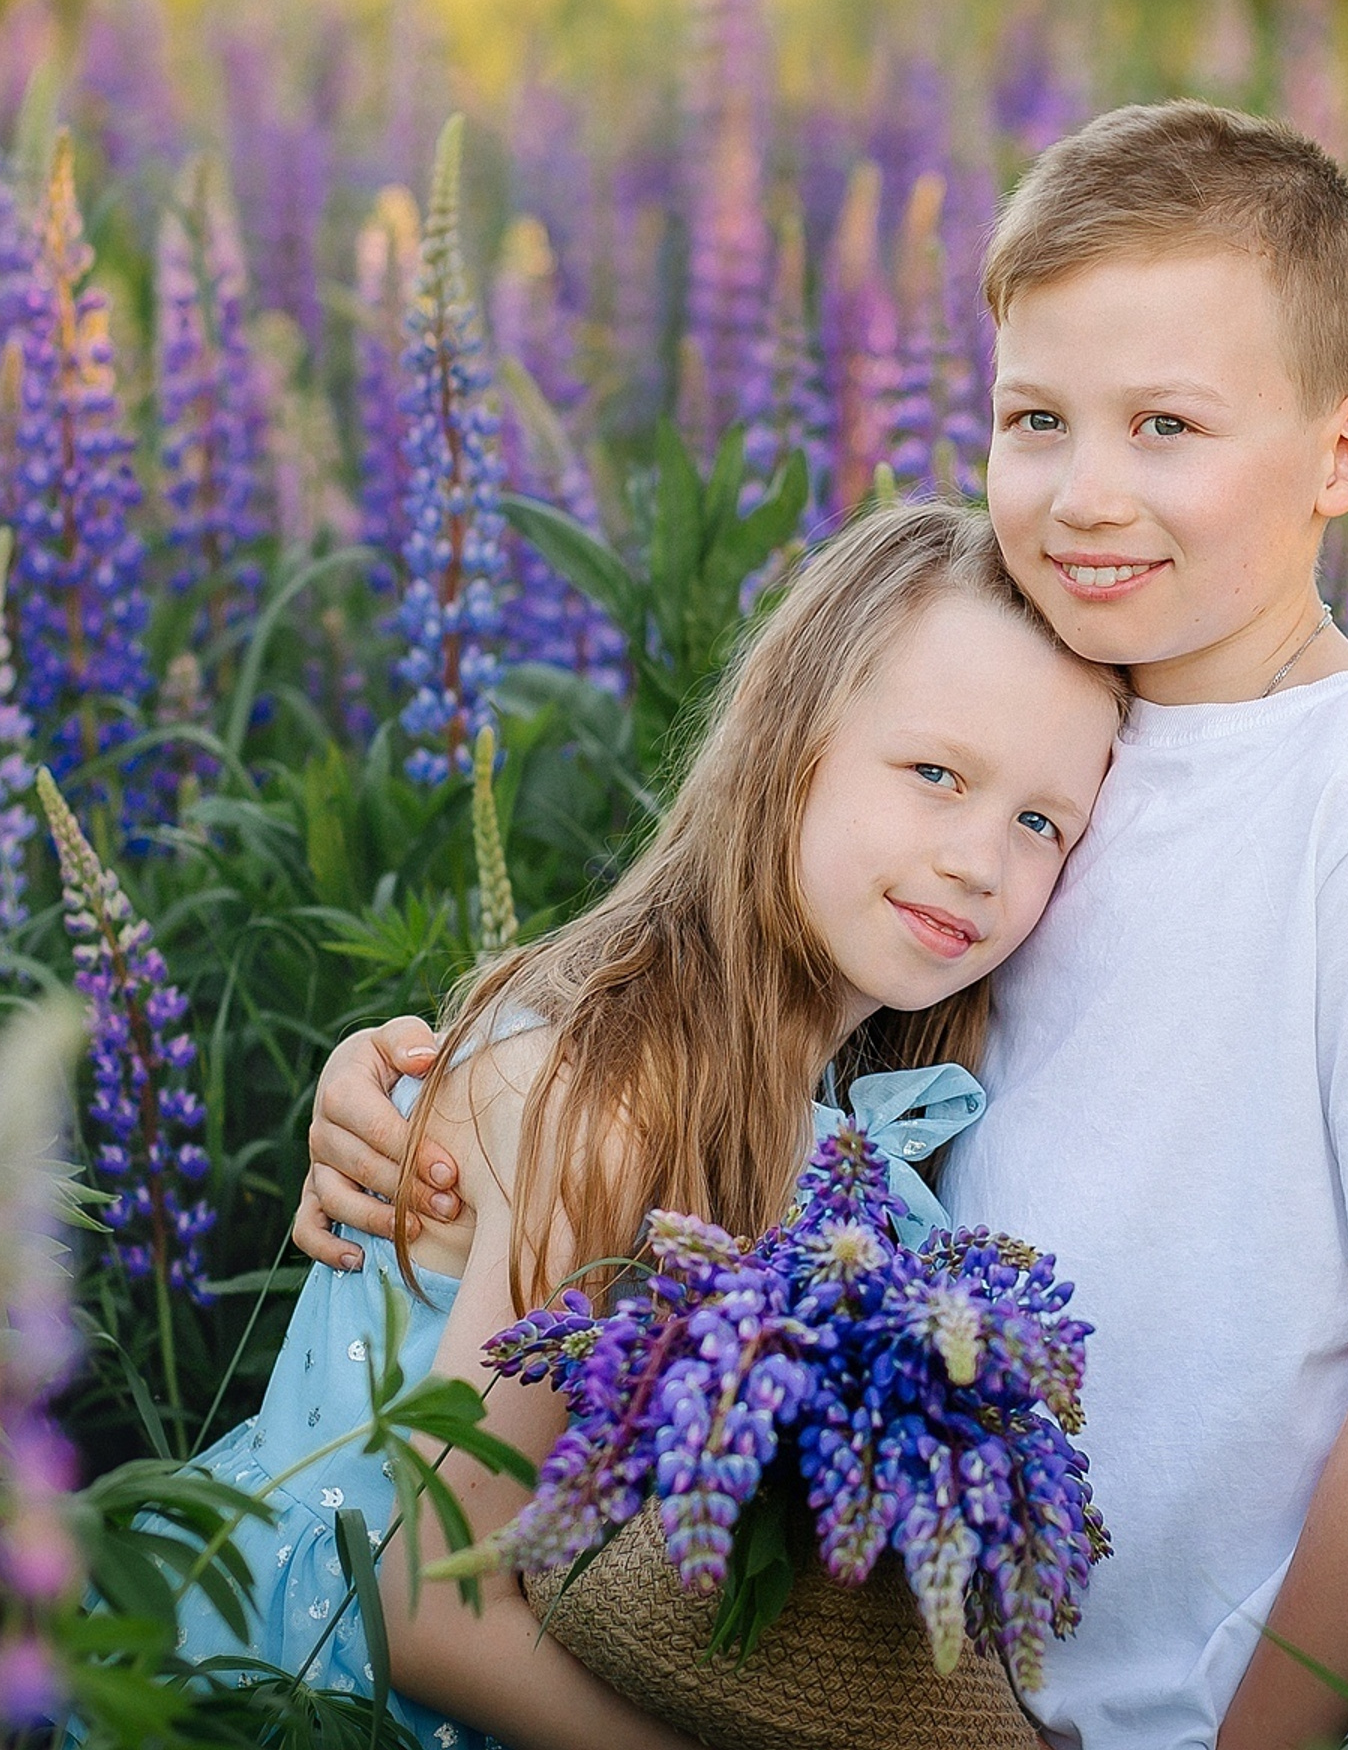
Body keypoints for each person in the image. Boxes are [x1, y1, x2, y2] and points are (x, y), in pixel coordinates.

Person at [301, 100, 1348, 1750]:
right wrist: (446, 1096)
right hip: (937, 1698)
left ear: (1341, 455)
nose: (1091, 491)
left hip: (1230, 1716)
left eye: (1167, 425)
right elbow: (746, 1028)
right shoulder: (1043, 731)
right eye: (1038, 418)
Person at [179, 503, 1123, 1750]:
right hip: (303, 1689)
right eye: (936, 775)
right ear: (795, 751)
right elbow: (427, 1611)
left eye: (1039, 822)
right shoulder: (626, 1097)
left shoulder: (832, 1104)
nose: (978, 863)